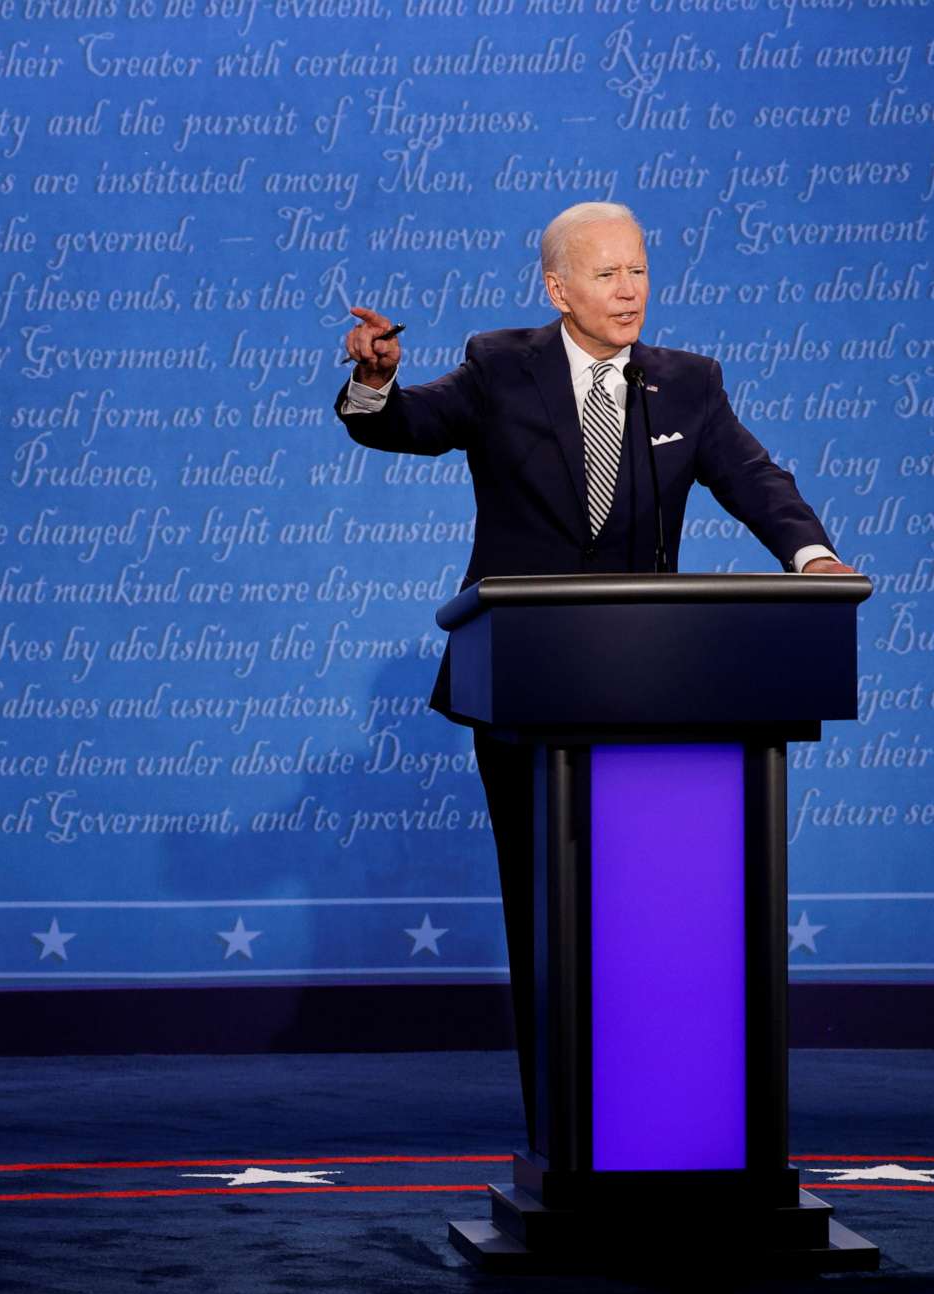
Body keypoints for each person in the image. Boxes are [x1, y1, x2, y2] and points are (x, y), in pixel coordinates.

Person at [331, 199, 855, 1150]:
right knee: (551, 918)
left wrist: (809, 555)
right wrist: (376, 382)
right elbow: (406, 425)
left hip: (655, 693)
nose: (629, 291)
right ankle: (566, 1141)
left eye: (640, 271)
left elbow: (753, 478)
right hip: (523, 688)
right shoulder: (501, 366)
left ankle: (663, 1133)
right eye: (607, 274)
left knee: (650, 926)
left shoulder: (687, 385)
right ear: (558, 286)